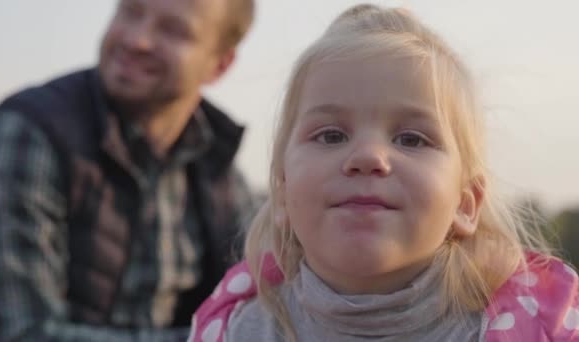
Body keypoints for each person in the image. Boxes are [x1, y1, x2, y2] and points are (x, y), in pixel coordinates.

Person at [190, 4, 579, 342]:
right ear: (282, 191)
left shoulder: (533, 329)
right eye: (331, 135)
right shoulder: (235, 329)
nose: (368, 156)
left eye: (411, 139)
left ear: (465, 203)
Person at [0, 0, 256, 340]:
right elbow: (18, 335)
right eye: (131, 11)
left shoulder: (219, 168)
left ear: (219, 66)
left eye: (173, 30)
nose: (137, 40)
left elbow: (258, 305)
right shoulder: (27, 135)